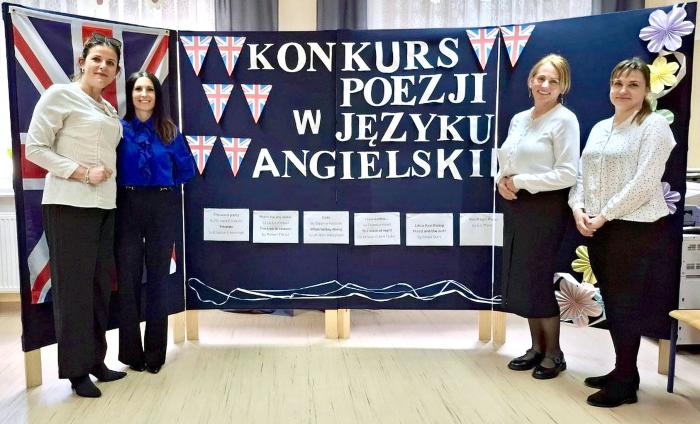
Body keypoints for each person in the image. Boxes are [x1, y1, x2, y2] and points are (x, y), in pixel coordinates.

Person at [569, 57, 675, 407]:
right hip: (600, 226)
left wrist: (603, 216)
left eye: (633, 85)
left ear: (647, 90)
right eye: (618, 83)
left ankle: (625, 384)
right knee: (614, 304)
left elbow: (644, 182)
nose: (623, 90)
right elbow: (582, 174)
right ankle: (624, 370)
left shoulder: (654, 126)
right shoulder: (601, 127)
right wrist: (578, 208)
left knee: (626, 305)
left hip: (634, 228)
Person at [25, 33, 127, 398]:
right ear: (82, 62)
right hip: (69, 205)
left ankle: (96, 360)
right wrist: (81, 172)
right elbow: (35, 148)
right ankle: (76, 371)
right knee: (74, 291)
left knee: (99, 288)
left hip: (104, 206)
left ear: (116, 72)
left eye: (110, 63)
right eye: (97, 59)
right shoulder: (59, 95)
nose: (103, 66)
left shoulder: (108, 109)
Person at [497, 54, 580, 380]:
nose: (545, 85)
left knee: (539, 279)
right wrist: (502, 180)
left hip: (546, 209)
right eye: (540, 78)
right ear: (531, 81)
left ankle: (554, 353)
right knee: (524, 280)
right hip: (517, 206)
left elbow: (567, 173)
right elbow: (507, 158)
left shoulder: (565, 120)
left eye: (553, 81)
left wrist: (519, 182)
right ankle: (536, 348)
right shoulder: (519, 118)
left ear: (563, 87)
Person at [116, 71, 195, 374]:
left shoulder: (169, 131)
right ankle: (131, 353)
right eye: (138, 89)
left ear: (157, 95)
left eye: (149, 89)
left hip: (162, 204)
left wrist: (163, 183)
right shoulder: (118, 129)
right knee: (128, 279)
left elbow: (186, 170)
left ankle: (155, 354)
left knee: (158, 279)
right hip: (127, 204)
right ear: (130, 94)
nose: (144, 94)